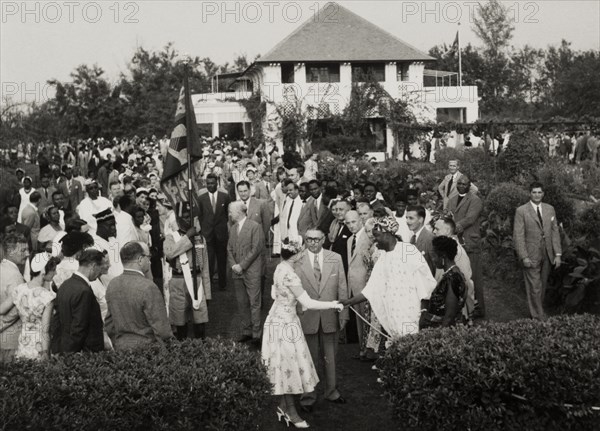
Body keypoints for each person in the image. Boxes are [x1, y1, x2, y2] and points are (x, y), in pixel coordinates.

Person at [262, 238, 343, 428]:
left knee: (283, 365)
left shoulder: (280, 267)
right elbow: (308, 302)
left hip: (277, 320)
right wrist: (333, 304)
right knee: (289, 365)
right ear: (297, 255)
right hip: (286, 326)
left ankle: (284, 406)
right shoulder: (291, 274)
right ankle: (290, 411)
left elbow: (276, 295)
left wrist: (292, 303)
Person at [341, 216, 436, 339]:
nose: (374, 241)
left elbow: (425, 281)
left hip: (411, 313)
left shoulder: (407, 250)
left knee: (411, 346)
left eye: (377, 236)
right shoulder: (383, 257)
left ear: (388, 234)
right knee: (398, 347)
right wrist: (349, 302)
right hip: (393, 314)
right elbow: (372, 288)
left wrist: (423, 310)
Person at [294, 228, 349, 411]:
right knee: (307, 358)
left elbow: (342, 286)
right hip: (306, 317)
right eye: (309, 239)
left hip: (329, 316)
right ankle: (308, 396)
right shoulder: (297, 260)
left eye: (317, 239)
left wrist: (343, 313)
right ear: (305, 240)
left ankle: (331, 392)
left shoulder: (335, 258)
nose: (313, 243)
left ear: (324, 239)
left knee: (330, 358)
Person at [105, 241, 172, 350]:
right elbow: (162, 329)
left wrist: (118, 343)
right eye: (148, 257)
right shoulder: (148, 287)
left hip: (121, 349)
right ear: (140, 260)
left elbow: (109, 324)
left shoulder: (113, 284)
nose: (150, 262)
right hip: (147, 351)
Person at [513, 182, 562, 321]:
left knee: (542, 285)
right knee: (534, 286)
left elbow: (555, 232)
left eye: (539, 192)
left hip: (547, 254)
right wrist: (524, 256)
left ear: (543, 194)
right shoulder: (521, 211)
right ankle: (539, 316)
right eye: (534, 192)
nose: (537, 195)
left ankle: (536, 311)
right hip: (531, 254)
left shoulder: (550, 209)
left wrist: (558, 254)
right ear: (530, 193)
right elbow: (518, 236)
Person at [163, 202, 211, 340]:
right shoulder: (171, 237)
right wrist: (186, 237)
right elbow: (170, 253)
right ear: (178, 220)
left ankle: (201, 349)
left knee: (200, 319)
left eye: (190, 217)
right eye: (184, 217)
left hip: (197, 280)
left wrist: (207, 294)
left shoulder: (200, 238)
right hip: (178, 281)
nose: (187, 220)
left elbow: (205, 267)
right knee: (180, 320)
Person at [227, 201, 265, 346]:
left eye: (231, 211)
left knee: (254, 302)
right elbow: (229, 248)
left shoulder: (255, 227)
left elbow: (256, 249)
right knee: (242, 303)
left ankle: (256, 334)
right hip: (237, 271)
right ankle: (246, 331)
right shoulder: (233, 228)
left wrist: (241, 265)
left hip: (251, 270)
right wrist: (234, 266)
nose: (230, 214)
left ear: (239, 212)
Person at [8, 253, 59, 360]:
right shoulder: (47, 297)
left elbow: (3, 309)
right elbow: (45, 330)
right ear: (43, 272)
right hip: (40, 346)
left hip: (23, 343)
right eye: (53, 270)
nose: (56, 273)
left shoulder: (19, 289)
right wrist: (45, 353)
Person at [54, 249, 106, 353]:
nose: (101, 272)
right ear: (93, 266)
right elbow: (79, 328)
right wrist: (70, 354)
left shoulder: (65, 285)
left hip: (65, 348)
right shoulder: (84, 291)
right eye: (100, 267)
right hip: (84, 354)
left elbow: (57, 322)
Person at [447, 175, 484, 318]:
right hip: (455, 241)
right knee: (458, 275)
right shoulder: (451, 200)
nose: (462, 186)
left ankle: (478, 308)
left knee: (473, 277)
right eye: (459, 183)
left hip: (469, 241)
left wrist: (451, 228)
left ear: (469, 185)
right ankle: (462, 309)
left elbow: (470, 218)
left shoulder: (475, 200)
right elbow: (448, 215)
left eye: (465, 184)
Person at [432, 216, 475, 322]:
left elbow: (467, 283)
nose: (433, 231)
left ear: (447, 231)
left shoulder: (458, 252)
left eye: (437, 229)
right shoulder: (443, 249)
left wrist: (469, 313)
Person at [420, 236, 467, 329]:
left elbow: (449, 316)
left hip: (442, 332)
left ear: (443, 256)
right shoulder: (453, 274)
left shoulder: (453, 278)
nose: (433, 260)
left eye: (434, 256)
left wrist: (439, 337)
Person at [344, 210, 373, 361]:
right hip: (354, 285)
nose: (351, 225)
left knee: (368, 319)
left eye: (353, 222)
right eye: (347, 223)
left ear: (361, 219)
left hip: (366, 285)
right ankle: (362, 350)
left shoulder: (368, 236)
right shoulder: (350, 240)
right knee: (359, 319)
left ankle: (368, 350)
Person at [197, 173, 230, 290]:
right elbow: (200, 216)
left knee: (222, 259)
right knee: (209, 260)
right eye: (208, 183)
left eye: (212, 183)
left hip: (221, 233)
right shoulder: (201, 199)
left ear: (217, 183)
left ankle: (222, 284)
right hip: (207, 234)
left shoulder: (224, 197)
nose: (210, 185)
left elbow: (227, 214)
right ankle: (209, 284)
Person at [0, 234, 29, 362]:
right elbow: (17, 309)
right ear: (11, 252)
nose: (27, 254)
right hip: (10, 339)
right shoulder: (15, 276)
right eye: (23, 250)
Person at [406, 205, 435, 274]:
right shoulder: (413, 238)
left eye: (411, 218)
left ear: (421, 220)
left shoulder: (429, 238)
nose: (407, 221)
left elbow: (435, 266)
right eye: (406, 218)